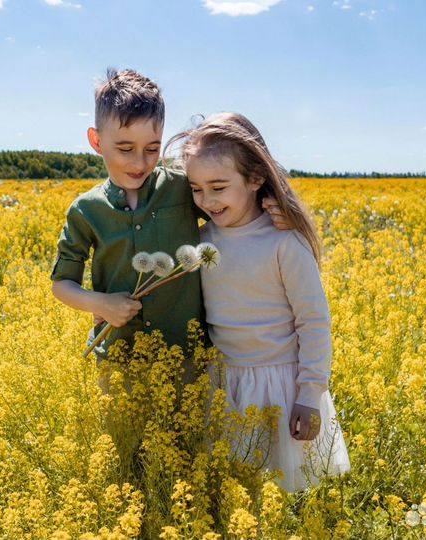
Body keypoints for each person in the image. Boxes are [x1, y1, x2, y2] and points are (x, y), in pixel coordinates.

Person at [50, 69, 290, 386]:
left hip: (188, 358)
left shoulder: (181, 187)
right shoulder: (86, 210)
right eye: (125, 148)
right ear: (96, 140)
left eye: (153, 148)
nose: (140, 162)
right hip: (120, 359)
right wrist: (100, 305)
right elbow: (61, 284)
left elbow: (230, 210)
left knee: (187, 435)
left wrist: (273, 211)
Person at [165, 112, 351, 492]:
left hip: (280, 387)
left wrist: (310, 394)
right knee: (236, 490)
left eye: (218, 187)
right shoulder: (200, 240)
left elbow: (313, 322)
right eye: (197, 189)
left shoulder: (284, 241)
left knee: (283, 494)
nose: (206, 200)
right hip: (224, 383)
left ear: (255, 179)